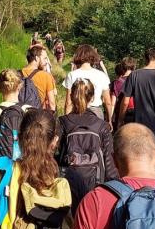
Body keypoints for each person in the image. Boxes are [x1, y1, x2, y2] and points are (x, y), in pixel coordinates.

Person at [58, 78, 118, 211]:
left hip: (67, 184)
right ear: (92, 98)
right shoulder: (102, 126)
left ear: (72, 97)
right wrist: (114, 187)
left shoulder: (62, 122)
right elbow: (108, 160)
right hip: (95, 184)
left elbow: (56, 154)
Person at [118, 48, 155, 152]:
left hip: (140, 126)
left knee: (140, 158)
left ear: (145, 59)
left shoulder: (134, 75)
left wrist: (120, 120)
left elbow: (125, 102)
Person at [62, 44, 112, 123]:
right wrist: (109, 120)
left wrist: (67, 120)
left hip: (77, 111)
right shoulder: (102, 75)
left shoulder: (72, 75)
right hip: (96, 113)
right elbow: (108, 102)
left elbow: (68, 102)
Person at [23, 45, 57, 110]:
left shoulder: (17, 74)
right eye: (45, 58)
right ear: (36, 58)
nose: (46, 62)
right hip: (37, 116)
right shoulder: (46, 76)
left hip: (20, 115)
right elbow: (52, 104)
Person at [110, 57, 136, 129]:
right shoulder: (139, 80)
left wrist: (109, 119)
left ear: (122, 67)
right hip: (136, 115)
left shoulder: (116, 83)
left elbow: (113, 103)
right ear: (134, 67)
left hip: (120, 115)